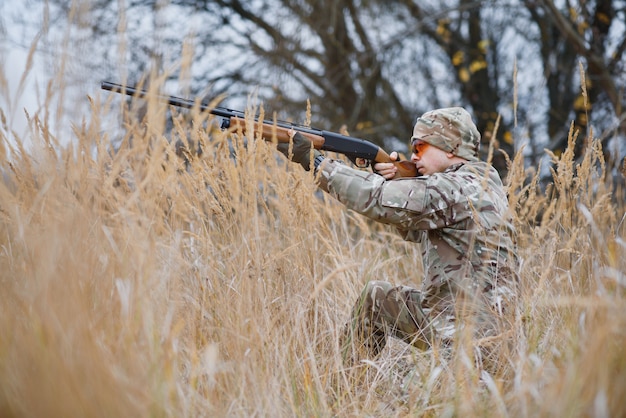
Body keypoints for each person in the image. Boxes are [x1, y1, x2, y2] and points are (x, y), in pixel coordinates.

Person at [276, 107, 519, 373]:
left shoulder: (460, 187)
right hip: (449, 318)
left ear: (451, 148)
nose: (413, 157)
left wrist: (316, 163)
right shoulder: (482, 182)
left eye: (420, 147)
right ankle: (346, 390)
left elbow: (378, 200)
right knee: (376, 298)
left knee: (405, 397)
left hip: (472, 341)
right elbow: (416, 227)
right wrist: (397, 182)